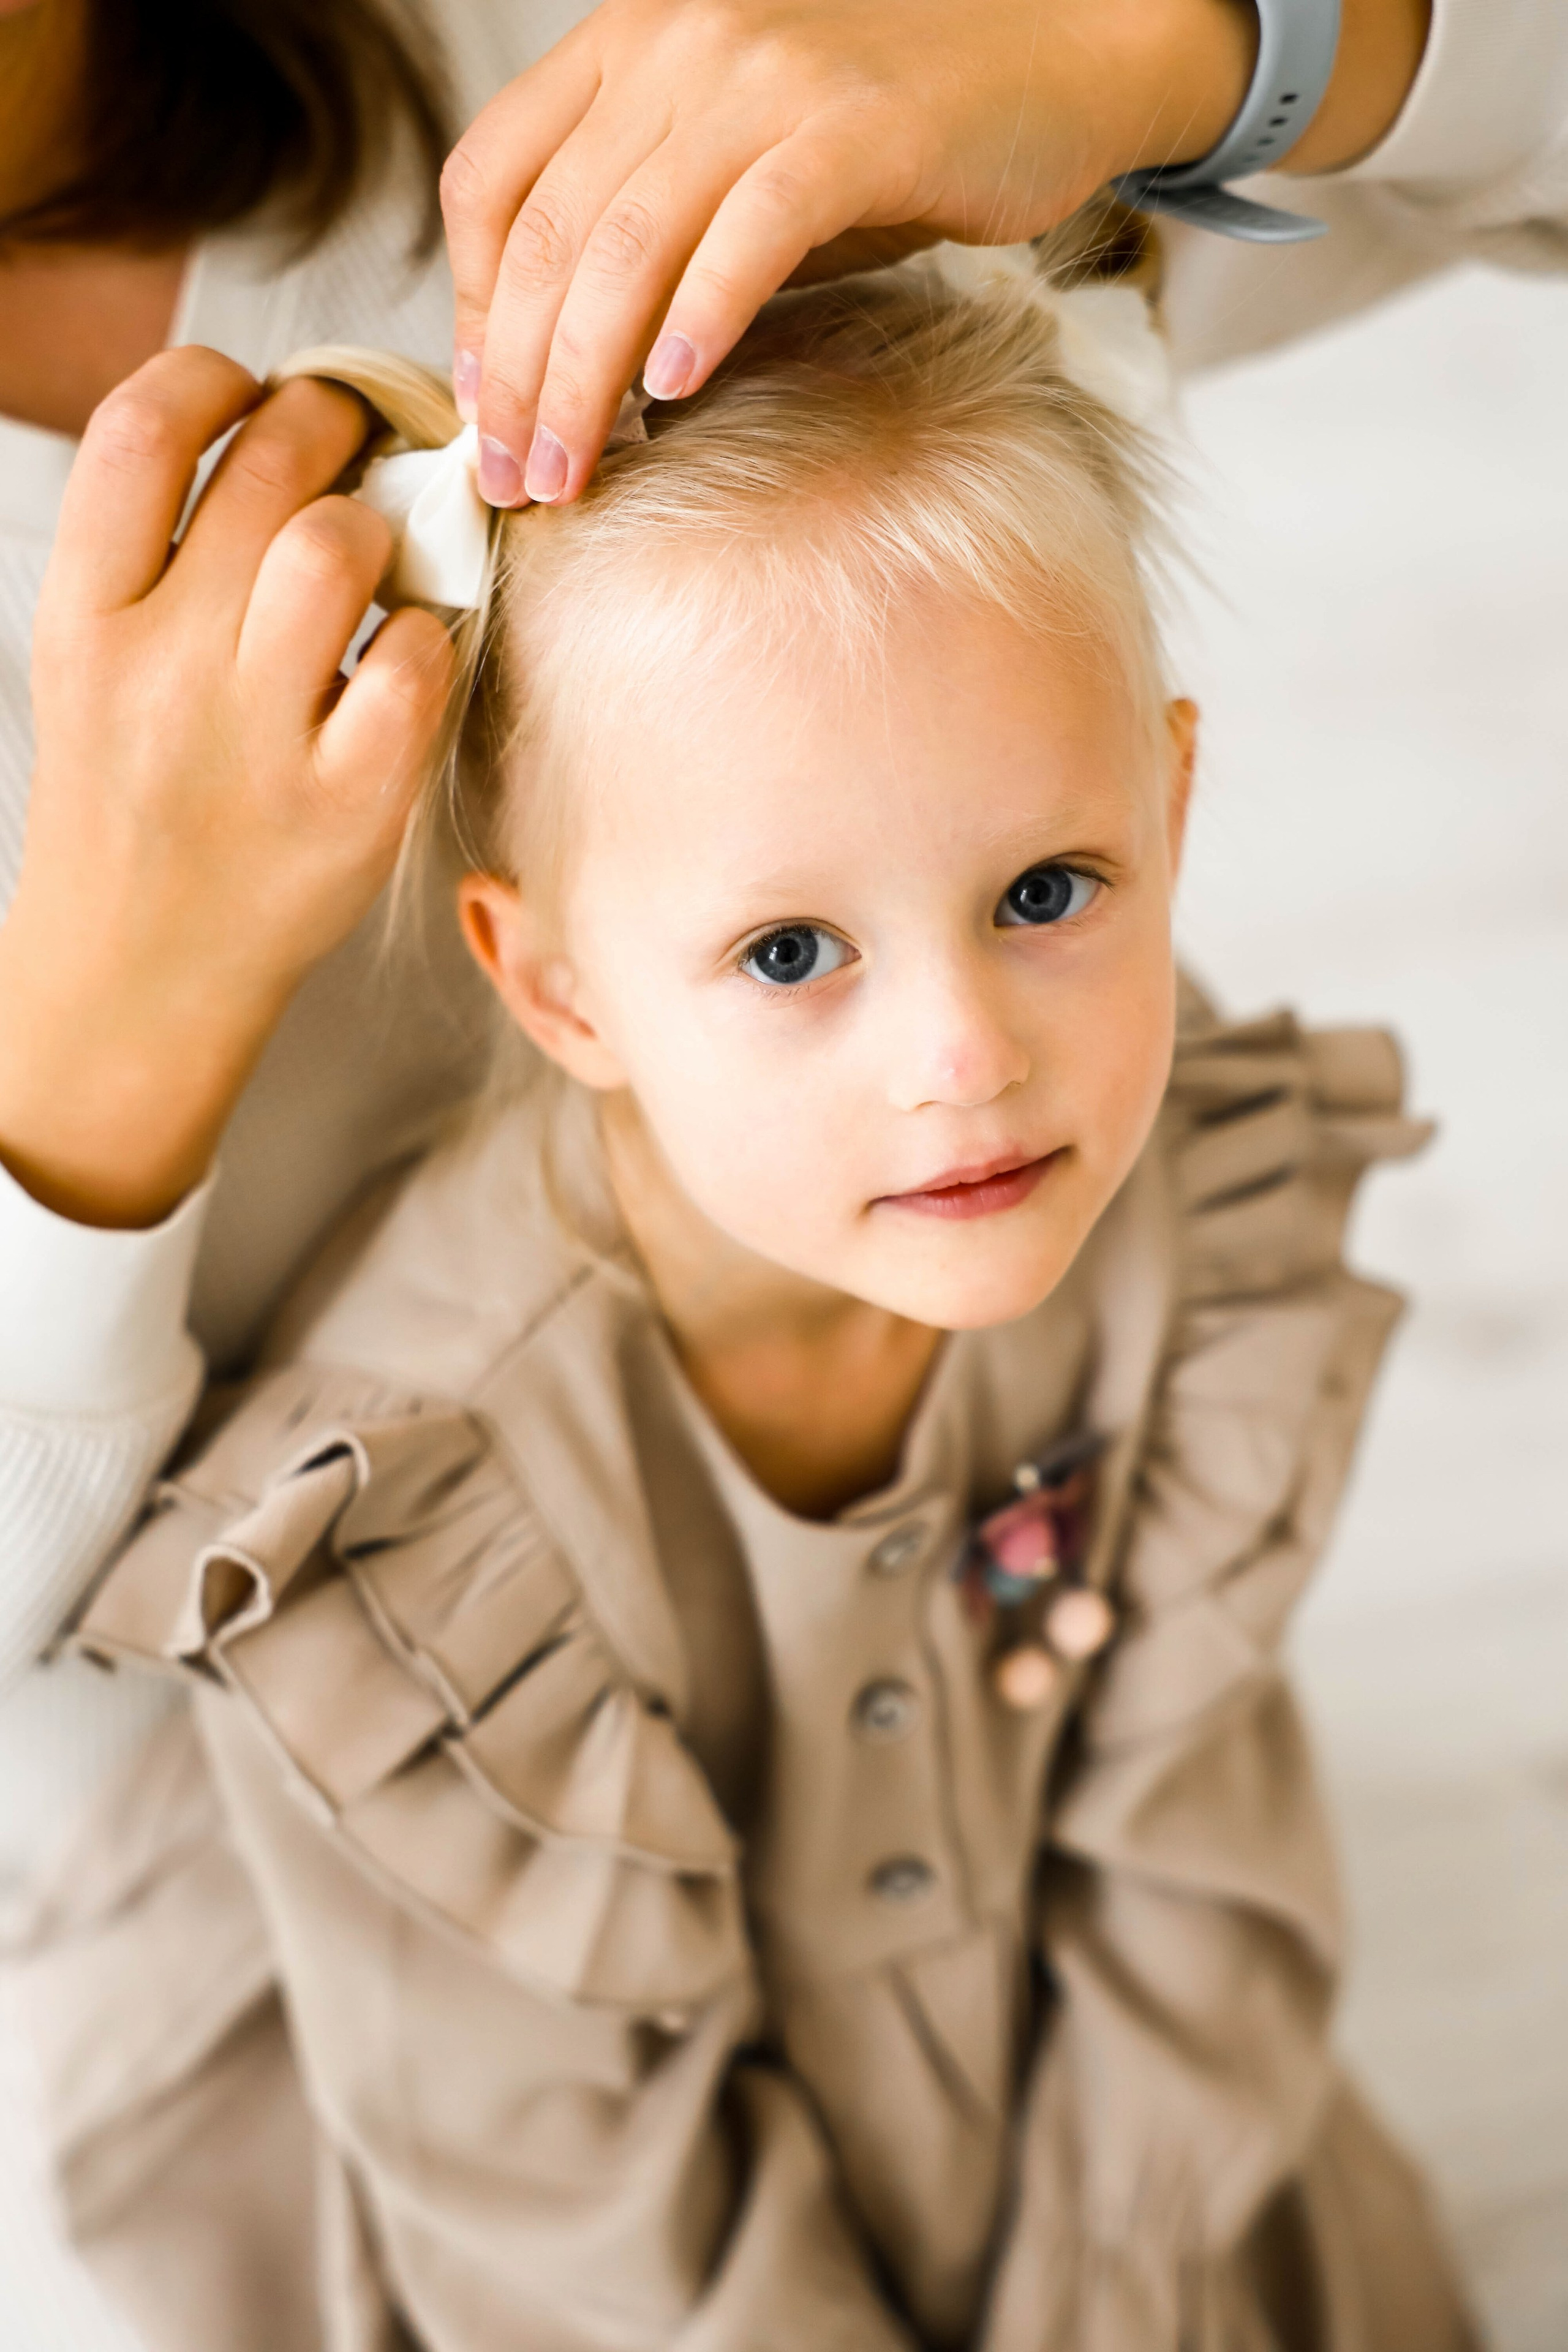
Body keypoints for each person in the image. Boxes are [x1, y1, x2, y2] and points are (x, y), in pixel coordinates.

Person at [0, 0, 1564, 2330]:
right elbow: (572, 2225)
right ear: (550, 987)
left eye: (1050, 890)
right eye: (793, 949)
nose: (961, 1066)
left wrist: (1188, 42)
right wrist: (105, 1017)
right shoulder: (417, 1575)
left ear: (1174, 796)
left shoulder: (1187, 1266)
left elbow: (1190, 1911)